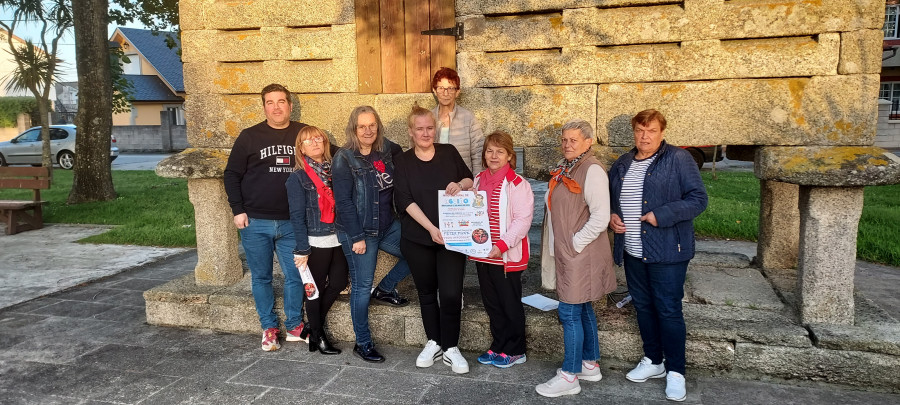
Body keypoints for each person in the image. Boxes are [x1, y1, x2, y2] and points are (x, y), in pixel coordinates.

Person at [608, 109, 707, 402]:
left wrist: (660, 214)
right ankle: (653, 361)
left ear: (662, 132)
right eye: (640, 130)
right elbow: (614, 199)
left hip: (668, 251)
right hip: (633, 249)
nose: (645, 136)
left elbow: (698, 199)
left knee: (668, 309)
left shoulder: (678, 159)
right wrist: (613, 216)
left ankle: (676, 371)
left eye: (651, 131)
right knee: (643, 306)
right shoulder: (623, 163)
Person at [535, 119, 616, 398]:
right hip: (573, 253)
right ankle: (590, 364)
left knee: (569, 312)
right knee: (583, 310)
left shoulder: (591, 170)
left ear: (588, 142)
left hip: (580, 254)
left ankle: (569, 376)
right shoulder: (568, 166)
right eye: (564, 140)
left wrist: (573, 244)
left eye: (574, 140)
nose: (567, 145)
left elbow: (601, 217)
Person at [223, 83, 306, 352]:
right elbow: (231, 175)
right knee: (261, 277)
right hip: (255, 221)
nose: (277, 107)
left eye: (282, 101)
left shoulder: (301, 133)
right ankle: (269, 327)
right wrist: (238, 210)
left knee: (295, 275)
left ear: (290, 106)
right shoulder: (249, 137)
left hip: (292, 221)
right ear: (264, 107)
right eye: (270, 102)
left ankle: (294, 325)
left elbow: (327, 152)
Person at [394, 105, 474, 374]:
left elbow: (469, 179)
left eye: (430, 127)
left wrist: (460, 185)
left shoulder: (448, 152)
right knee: (427, 293)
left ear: (435, 129)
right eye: (420, 129)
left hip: (452, 237)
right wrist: (430, 228)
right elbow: (404, 200)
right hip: (418, 237)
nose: (426, 133)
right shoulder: (403, 161)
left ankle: (451, 347)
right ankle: (435, 342)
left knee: (451, 294)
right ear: (411, 132)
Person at [332, 106, 411, 363]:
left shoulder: (389, 149)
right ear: (353, 129)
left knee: (419, 251)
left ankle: (386, 288)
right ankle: (362, 343)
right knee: (362, 286)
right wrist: (356, 237)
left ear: (378, 126)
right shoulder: (344, 158)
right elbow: (343, 201)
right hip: (359, 230)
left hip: (387, 225)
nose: (368, 131)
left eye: (372, 125)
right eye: (362, 126)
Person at [468, 131, 534, 369]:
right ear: (484, 155)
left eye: (500, 151)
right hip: (483, 254)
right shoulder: (477, 180)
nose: (494, 156)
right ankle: (498, 345)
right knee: (492, 303)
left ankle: (516, 349)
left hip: (505, 255)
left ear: (509, 156)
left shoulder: (518, 185)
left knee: (509, 303)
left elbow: (523, 220)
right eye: (489, 151)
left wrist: (502, 245)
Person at [286, 125, 347, 355]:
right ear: (300, 148)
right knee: (315, 290)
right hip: (315, 242)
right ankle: (319, 338)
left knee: (340, 282)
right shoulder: (297, 178)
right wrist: (302, 249)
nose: (314, 143)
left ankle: (312, 327)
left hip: (339, 238)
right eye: (307, 141)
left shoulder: (337, 171)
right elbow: (296, 216)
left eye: (318, 138)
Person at [431, 67, 485, 174]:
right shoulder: (428, 118)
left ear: (457, 92)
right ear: (434, 90)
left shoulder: (468, 118)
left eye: (450, 88)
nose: (445, 93)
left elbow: (478, 154)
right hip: (433, 178)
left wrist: (476, 182)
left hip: (462, 181)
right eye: (441, 88)